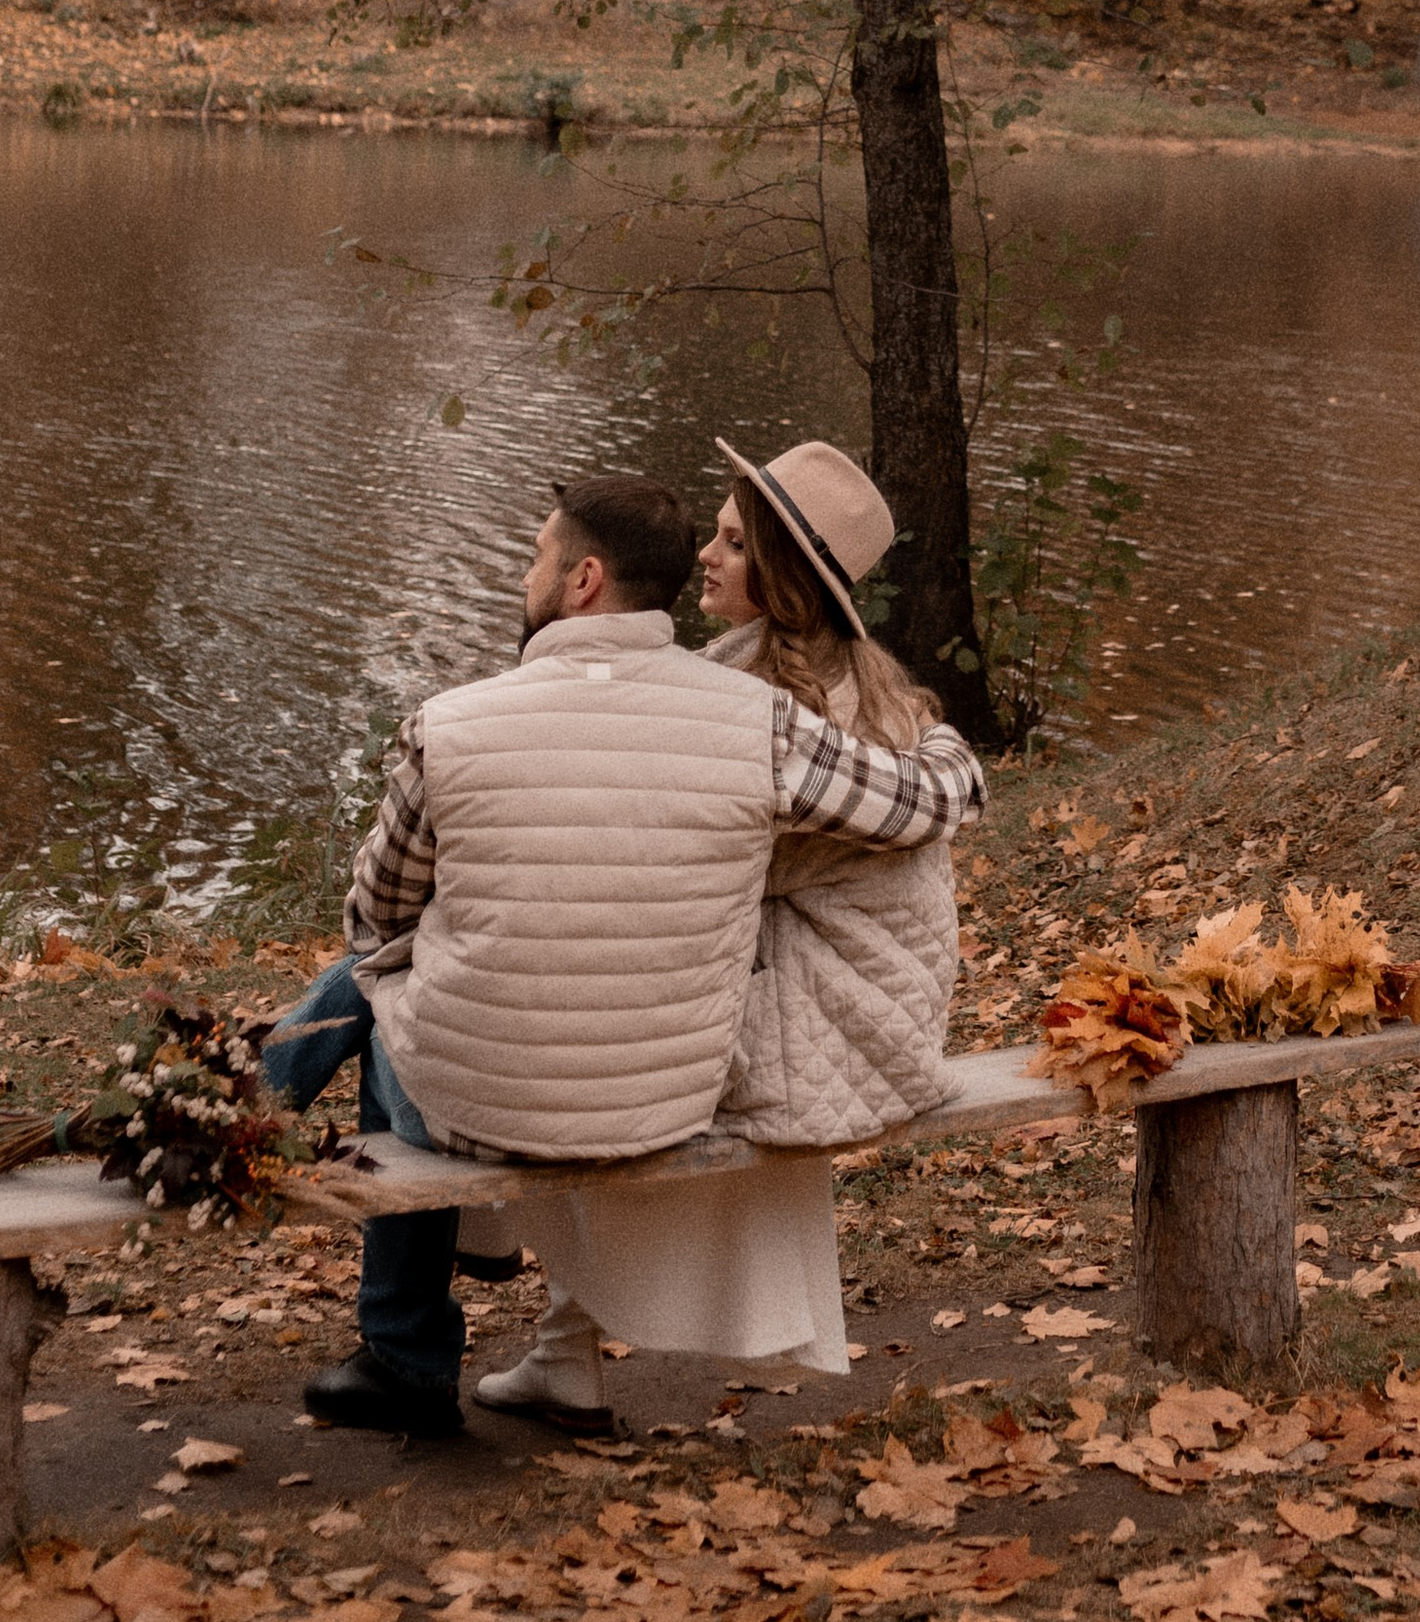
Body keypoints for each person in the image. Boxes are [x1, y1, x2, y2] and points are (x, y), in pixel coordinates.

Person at [264, 467, 981, 1437]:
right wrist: (946, 749)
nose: (525, 571)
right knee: (397, 990)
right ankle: (261, 1116)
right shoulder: (761, 722)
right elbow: (917, 803)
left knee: (373, 988)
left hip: (499, 1102)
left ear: (583, 579)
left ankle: (396, 1337)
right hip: (665, 1096)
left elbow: (374, 917)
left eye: (535, 555)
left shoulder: (453, 722)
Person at [477, 437, 972, 1429]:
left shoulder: (777, 704)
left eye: (734, 543)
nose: (705, 553)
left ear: (781, 580)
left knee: (568, 1037)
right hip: (844, 990)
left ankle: (517, 1296)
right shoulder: (807, 672)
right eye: (713, 530)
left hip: (843, 1013)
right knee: (577, 1007)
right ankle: (557, 1348)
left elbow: (705, 867)